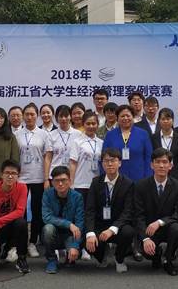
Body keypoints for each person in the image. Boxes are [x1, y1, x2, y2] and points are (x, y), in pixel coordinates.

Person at [134, 148, 178, 276]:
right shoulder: (141, 186)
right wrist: (145, 239)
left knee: (177, 228)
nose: (161, 165)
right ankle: (156, 255)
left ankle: (168, 260)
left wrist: (160, 222)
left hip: (169, 227)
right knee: (147, 251)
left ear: (171, 165)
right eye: (157, 162)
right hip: (149, 230)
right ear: (151, 165)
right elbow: (138, 215)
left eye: (165, 162)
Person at [85, 148, 135, 273]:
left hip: (118, 225)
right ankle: (102, 256)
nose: (110, 164)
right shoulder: (96, 182)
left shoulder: (128, 184)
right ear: (102, 164)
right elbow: (90, 209)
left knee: (128, 232)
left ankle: (119, 259)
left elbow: (128, 212)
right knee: (85, 237)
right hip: (100, 224)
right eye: (106, 161)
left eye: (113, 160)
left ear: (120, 163)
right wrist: (90, 233)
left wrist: (112, 229)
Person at [15, 103, 52, 257]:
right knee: (21, 212)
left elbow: (47, 157)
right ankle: (20, 243)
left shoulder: (44, 134)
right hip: (21, 179)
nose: (29, 117)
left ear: (37, 116)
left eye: (32, 114)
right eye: (27, 114)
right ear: (23, 116)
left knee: (37, 212)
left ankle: (32, 243)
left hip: (38, 178)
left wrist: (46, 178)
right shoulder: (17, 134)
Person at [0, 160, 30, 273]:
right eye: (7, 173)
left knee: (21, 223)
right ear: (1, 174)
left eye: (13, 173)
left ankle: (21, 258)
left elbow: (20, 211)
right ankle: (0, 248)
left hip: (11, 226)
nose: (10, 176)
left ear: (18, 176)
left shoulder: (22, 188)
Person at [69, 111, 103, 261]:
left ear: (98, 125)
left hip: (96, 185)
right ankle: (80, 246)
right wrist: (71, 183)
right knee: (80, 217)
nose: (91, 126)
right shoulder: (77, 142)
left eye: (93, 123)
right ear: (83, 125)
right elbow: (73, 163)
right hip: (80, 184)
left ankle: (91, 246)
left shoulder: (101, 142)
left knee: (93, 216)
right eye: (88, 123)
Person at [41, 166, 84, 274]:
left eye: (63, 180)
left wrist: (75, 246)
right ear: (52, 182)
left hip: (70, 235)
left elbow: (80, 223)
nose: (60, 184)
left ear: (69, 181)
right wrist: (69, 224)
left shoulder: (77, 197)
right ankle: (52, 259)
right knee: (48, 229)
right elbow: (46, 217)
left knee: (74, 255)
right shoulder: (47, 194)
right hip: (54, 233)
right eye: (57, 181)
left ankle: (70, 254)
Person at [103, 105, 153, 182]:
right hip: (116, 179)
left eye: (128, 116)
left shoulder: (143, 134)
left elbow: (148, 158)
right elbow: (104, 157)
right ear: (117, 118)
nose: (125, 118)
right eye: (122, 116)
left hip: (139, 178)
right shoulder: (110, 135)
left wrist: (148, 178)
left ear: (133, 117)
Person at [45, 105, 81, 180]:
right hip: (55, 175)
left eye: (66, 116)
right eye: (61, 116)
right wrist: (46, 179)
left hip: (72, 175)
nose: (63, 119)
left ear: (70, 117)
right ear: (56, 118)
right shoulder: (51, 135)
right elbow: (48, 158)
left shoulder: (78, 134)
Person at [151, 108, 178, 184]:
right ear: (159, 121)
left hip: (177, 176)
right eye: (163, 119)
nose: (165, 121)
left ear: (173, 121)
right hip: (158, 175)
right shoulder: (153, 138)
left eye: (168, 119)